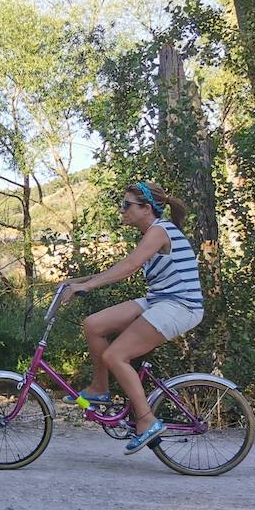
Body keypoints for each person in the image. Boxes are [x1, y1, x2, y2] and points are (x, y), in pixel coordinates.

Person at [61, 181, 204, 452]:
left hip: (181, 306)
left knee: (115, 355)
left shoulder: (160, 231)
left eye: (127, 205)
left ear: (146, 208)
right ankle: (99, 390)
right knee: (93, 325)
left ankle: (146, 420)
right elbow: (122, 266)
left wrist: (86, 287)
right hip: (159, 300)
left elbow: (129, 266)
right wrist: (77, 281)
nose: (122, 210)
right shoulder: (152, 233)